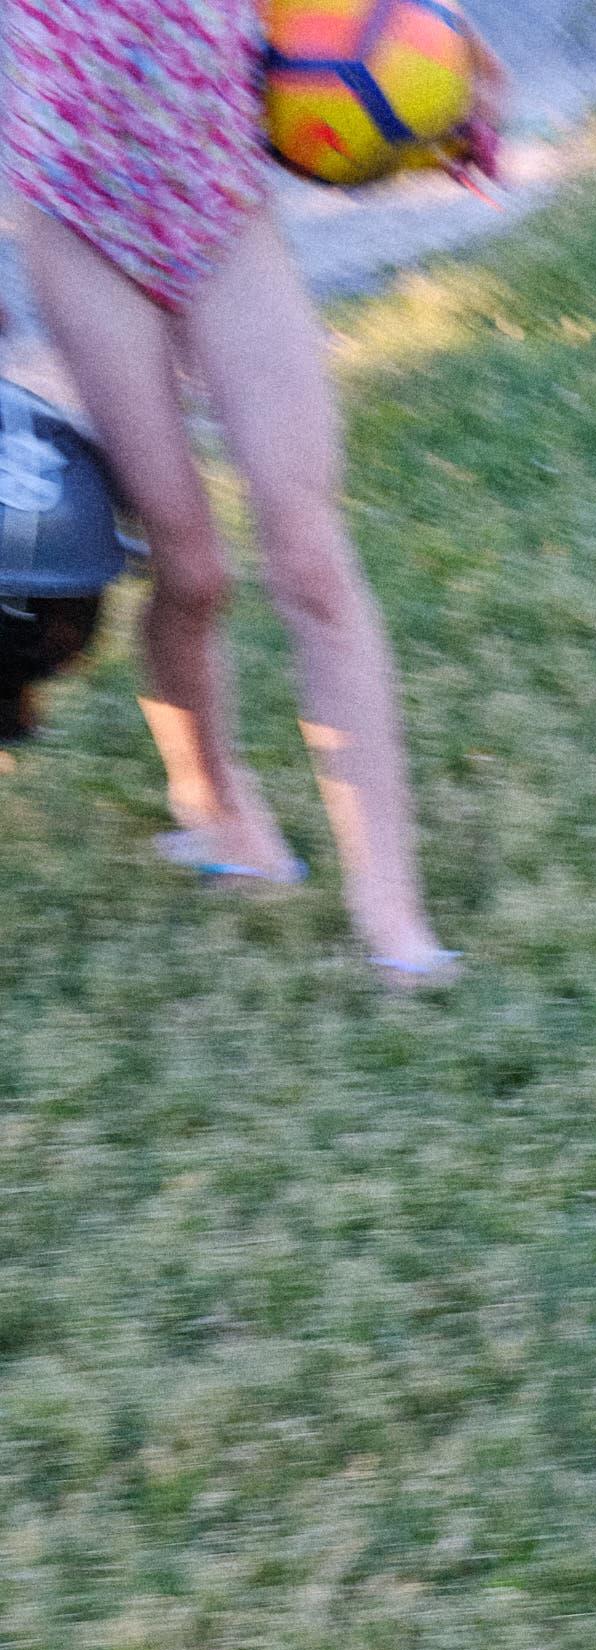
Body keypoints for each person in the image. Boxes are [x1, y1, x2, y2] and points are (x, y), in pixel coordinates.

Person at [1, 2, 503, 986]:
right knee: (191, 571)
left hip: (219, 205)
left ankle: (392, 914)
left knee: (312, 561)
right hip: (78, 223)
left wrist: (461, 62)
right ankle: (215, 805)